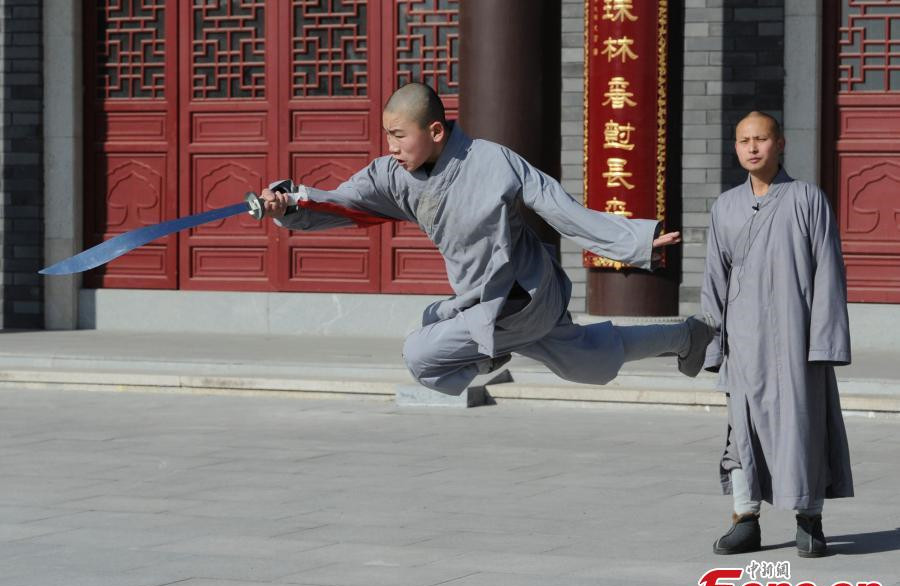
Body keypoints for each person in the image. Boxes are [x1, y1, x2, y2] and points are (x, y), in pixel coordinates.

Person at [261, 82, 714, 396]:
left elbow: (559, 207)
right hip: (484, 304)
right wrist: (289, 203)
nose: (392, 147)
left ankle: (485, 356)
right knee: (589, 363)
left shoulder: (493, 162)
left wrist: (635, 241)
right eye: (388, 136)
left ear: (435, 131)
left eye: (399, 136)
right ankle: (685, 336)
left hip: (521, 296)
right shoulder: (391, 175)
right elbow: (343, 204)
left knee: (420, 353)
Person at [702, 111, 854, 558]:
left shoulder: (808, 199)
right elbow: (714, 280)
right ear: (735, 147)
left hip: (796, 340)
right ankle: (745, 519)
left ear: (780, 144)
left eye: (761, 139)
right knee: (742, 433)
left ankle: (809, 520)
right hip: (744, 342)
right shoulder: (726, 206)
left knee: (803, 429)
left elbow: (828, 272)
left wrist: (824, 342)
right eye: (744, 140)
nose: (752, 147)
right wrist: (714, 345)